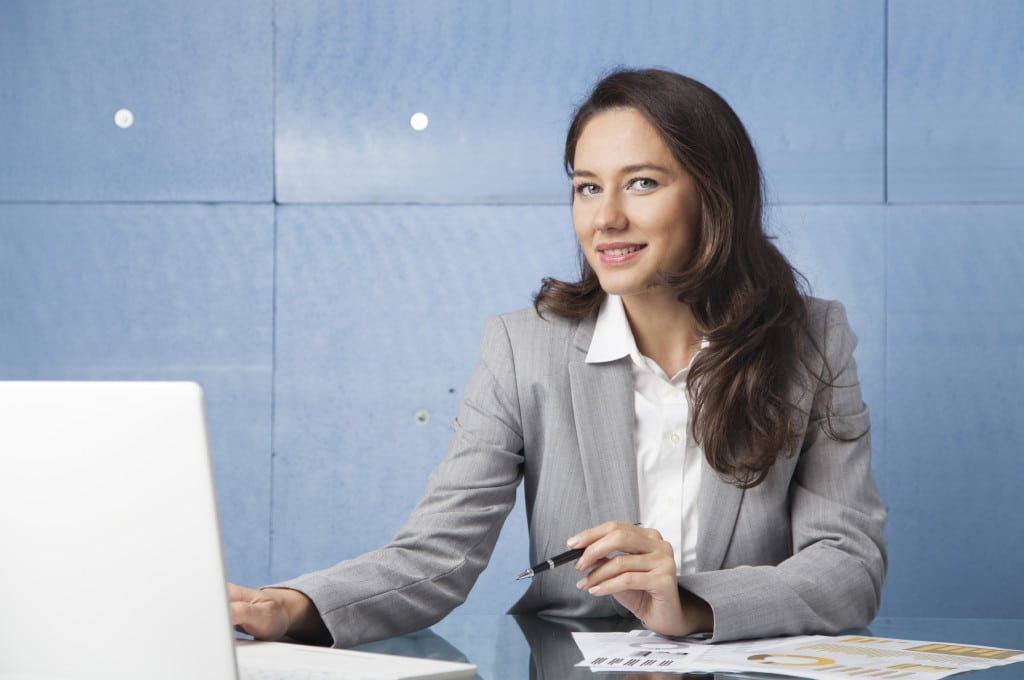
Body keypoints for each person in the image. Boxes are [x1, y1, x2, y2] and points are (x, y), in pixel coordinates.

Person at [231, 68, 887, 648]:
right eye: (587, 187)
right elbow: (436, 558)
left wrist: (689, 602)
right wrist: (290, 606)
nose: (606, 218)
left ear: (715, 197)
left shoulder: (810, 341)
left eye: (642, 183)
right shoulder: (524, 349)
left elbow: (848, 566)